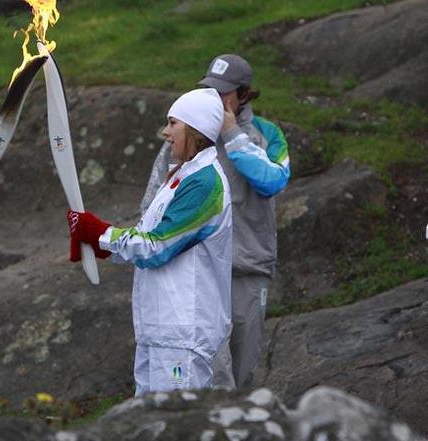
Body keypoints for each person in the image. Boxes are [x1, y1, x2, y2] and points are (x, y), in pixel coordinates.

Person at [67, 88, 232, 392]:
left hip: (183, 332)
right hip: (160, 328)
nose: (165, 132)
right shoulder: (181, 176)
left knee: (177, 424)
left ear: (195, 130)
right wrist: (102, 248)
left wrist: (100, 233)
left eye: (173, 123)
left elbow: (157, 247)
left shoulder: (205, 184)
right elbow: (148, 240)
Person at [142, 54, 291, 389]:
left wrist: (232, 133)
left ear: (242, 94)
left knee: (243, 362)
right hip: (198, 272)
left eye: (225, 91)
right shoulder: (187, 134)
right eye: (210, 88)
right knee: (210, 366)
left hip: (248, 267)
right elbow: (155, 199)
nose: (217, 97)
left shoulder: (267, 134)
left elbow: (273, 180)